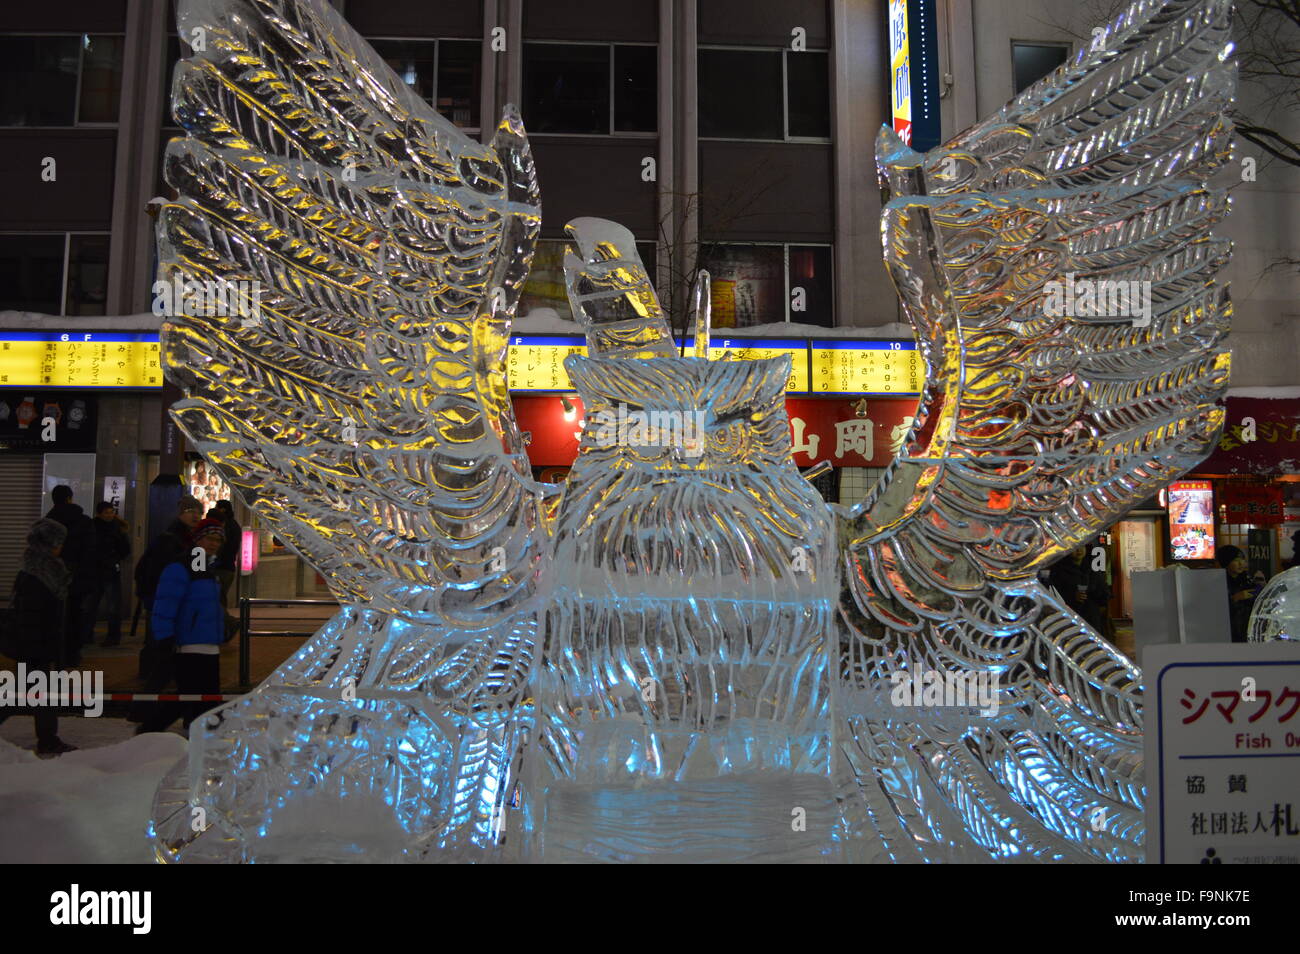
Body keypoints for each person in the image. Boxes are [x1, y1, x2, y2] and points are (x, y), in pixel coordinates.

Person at [137, 517, 227, 734]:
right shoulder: (182, 566)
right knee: (192, 693)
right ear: (197, 539)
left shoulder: (208, 568)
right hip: (189, 641)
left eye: (218, 540)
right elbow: (166, 602)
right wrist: (164, 635)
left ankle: (197, 730)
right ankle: (154, 728)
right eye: (209, 538)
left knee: (202, 693)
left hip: (207, 640)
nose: (213, 544)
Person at [0, 519, 77, 755]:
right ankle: (48, 739)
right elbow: (32, 616)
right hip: (35, 644)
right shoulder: (38, 575)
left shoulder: (44, 569)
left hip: (39, 643)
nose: (61, 546)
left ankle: (48, 738)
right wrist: (41, 648)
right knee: (29, 694)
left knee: (31, 693)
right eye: (58, 542)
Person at [134, 495, 204, 688]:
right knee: (159, 640)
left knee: (163, 641)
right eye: (190, 512)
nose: (196, 516)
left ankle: (156, 677)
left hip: (169, 596)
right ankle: (152, 680)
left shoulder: (189, 538)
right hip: (162, 596)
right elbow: (159, 570)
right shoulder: (171, 538)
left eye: (199, 512)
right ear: (181, 514)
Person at [45, 485, 98, 666]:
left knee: (53, 617)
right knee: (75, 615)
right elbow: (91, 551)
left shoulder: (47, 521)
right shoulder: (83, 521)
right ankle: (72, 654)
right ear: (70, 498)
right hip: (78, 578)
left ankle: (54, 653)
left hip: (52, 580)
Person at [90, 501, 131, 646]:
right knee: (93, 605)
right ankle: (89, 634)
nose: (110, 515)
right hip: (97, 570)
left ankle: (113, 636)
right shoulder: (93, 526)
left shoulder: (117, 528)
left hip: (109, 569)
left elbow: (125, 549)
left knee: (112, 606)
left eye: (111, 512)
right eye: (107, 512)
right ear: (99, 513)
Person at [1048, 545, 1111, 635]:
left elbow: (1104, 594)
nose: (1079, 550)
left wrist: (1095, 593)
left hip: (1092, 619)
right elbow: (1054, 594)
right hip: (1071, 618)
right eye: (1075, 548)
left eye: (1082, 547)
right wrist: (1072, 597)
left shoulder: (1092, 569)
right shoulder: (1059, 571)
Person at [1217, 545, 1260, 643]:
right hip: (1227, 633)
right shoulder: (1219, 582)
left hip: (1247, 631)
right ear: (1226, 562)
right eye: (1236, 560)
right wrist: (1235, 598)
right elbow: (1215, 610)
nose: (1241, 563)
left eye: (1243, 559)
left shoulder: (1247, 580)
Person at [212, 499, 241, 611]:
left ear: (222, 509)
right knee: (220, 598)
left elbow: (225, 548)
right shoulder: (235, 525)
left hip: (222, 567)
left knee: (218, 599)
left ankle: (224, 624)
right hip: (229, 567)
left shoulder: (226, 526)